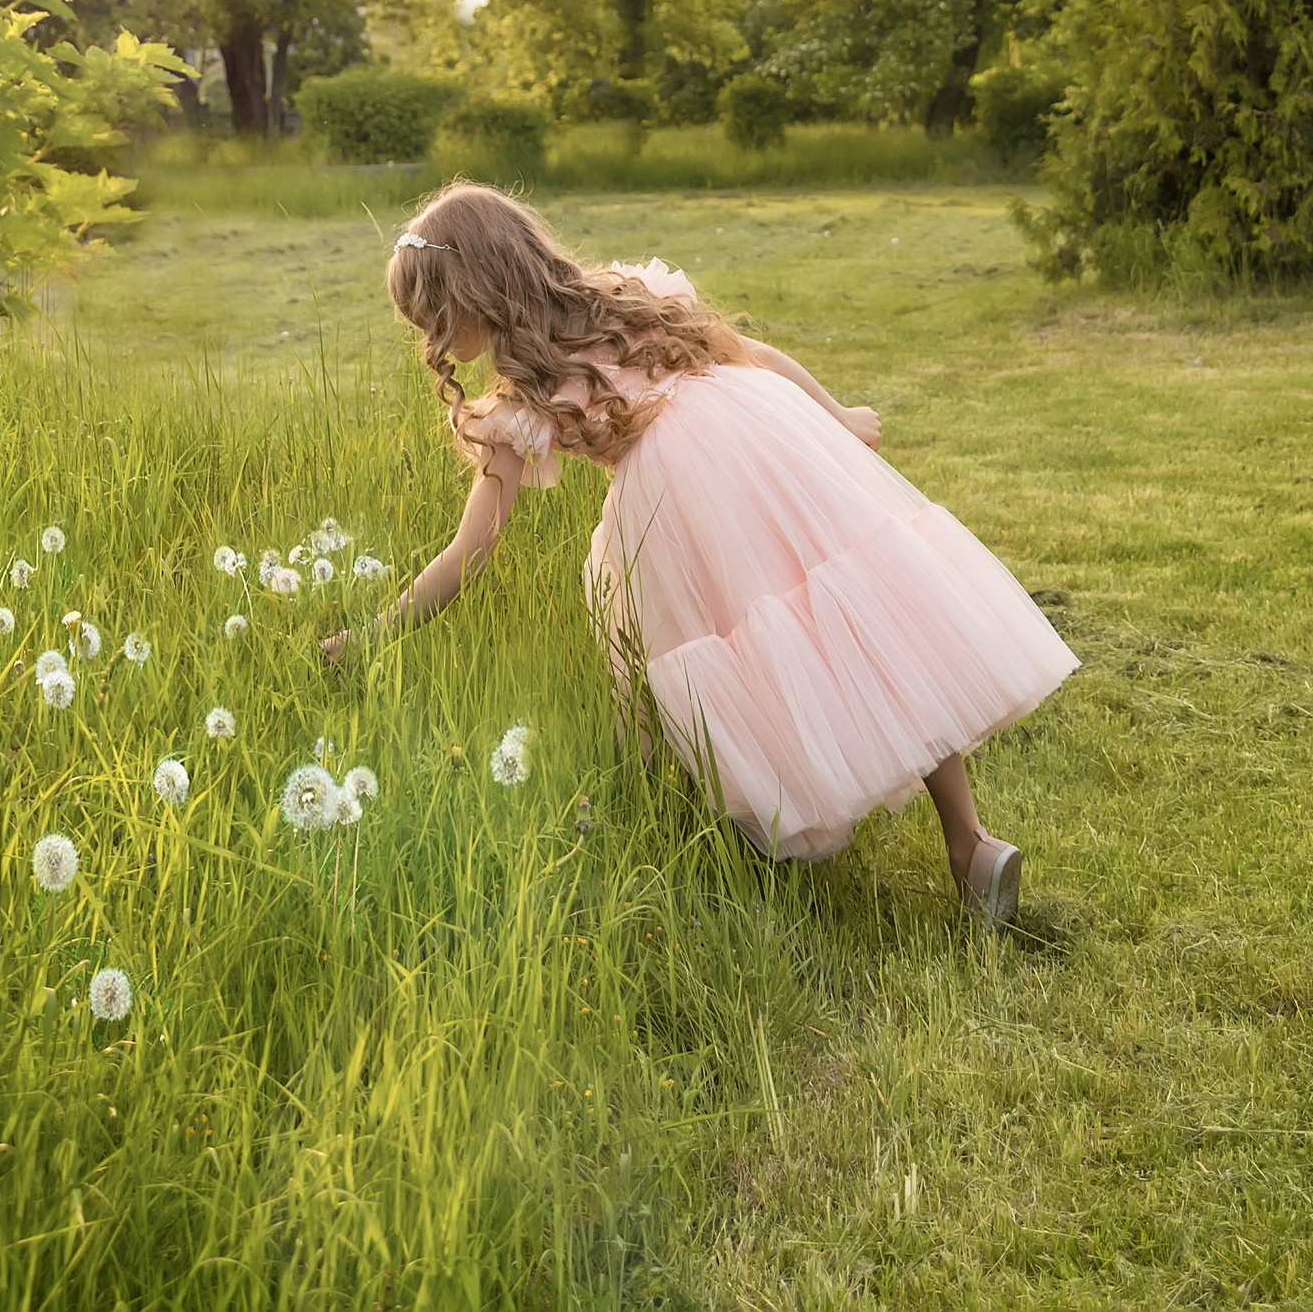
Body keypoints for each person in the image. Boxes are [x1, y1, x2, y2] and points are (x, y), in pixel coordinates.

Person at [319, 182, 1077, 924]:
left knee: (740, 650)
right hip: (766, 439)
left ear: (472, 289)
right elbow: (751, 355)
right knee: (864, 612)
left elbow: (471, 549)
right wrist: (835, 414)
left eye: (431, 314)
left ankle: (736, 828)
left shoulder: (519, 404)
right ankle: (969, 844)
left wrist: (376, 633)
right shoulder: (627, 296)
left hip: (683, 502)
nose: (429, 338)